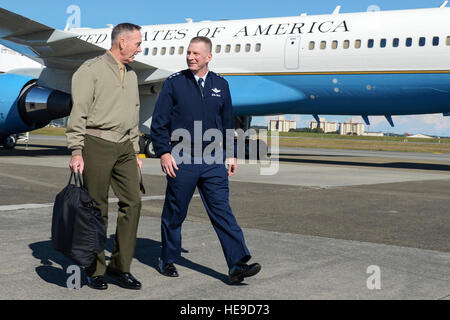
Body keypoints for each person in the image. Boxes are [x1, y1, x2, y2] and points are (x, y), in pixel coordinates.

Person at [150, 36, 261, 285]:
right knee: (175, 212)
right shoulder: (174, 83)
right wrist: (164, 152)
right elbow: (159, 121)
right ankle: (167, 258)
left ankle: (236, 264)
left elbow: (227, 122)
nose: (190, 57)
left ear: (208, 57)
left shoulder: (221, 84)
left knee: (222, 211)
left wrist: (231, 153)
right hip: (182, 158)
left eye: (196, 54)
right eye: (188, 53)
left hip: (213, 160)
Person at [66, 23, 143, 290]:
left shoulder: (132, 75)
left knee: (133, 202)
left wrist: (135, 151)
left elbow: (133, 115)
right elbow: (79, 113)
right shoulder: (90, 70)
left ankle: (120, 268)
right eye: (137, 43)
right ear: (122, 42)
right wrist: (77, 151)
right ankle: (94, 269)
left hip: (124, 147)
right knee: (97, 208)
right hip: (95, 143)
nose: (140, 48)